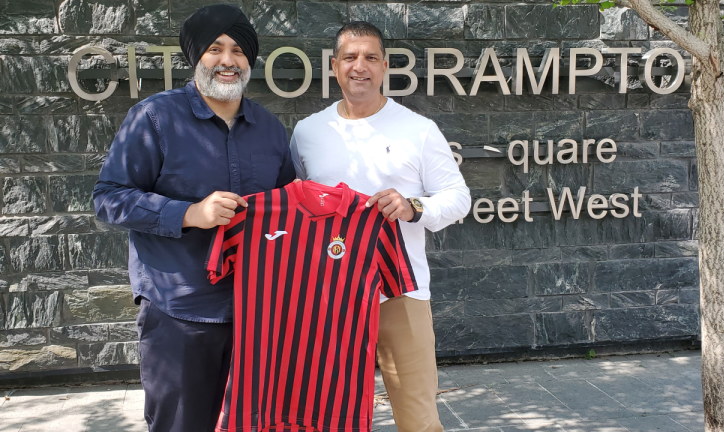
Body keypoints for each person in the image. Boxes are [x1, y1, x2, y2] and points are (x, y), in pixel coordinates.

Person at [92, 5, 295, 432]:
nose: (227, 60)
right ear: (195, 57)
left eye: (238, 50)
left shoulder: (271, 130)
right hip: (179, 310)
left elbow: (289, 212)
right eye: (215, 48)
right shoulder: (154, 117)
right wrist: (189, 213)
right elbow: (109, 198)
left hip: (257, 313)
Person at [290, 21, 471, 432]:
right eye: (350, 57)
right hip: (328, 293)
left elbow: (459, 198)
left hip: (400, 291)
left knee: (418, 417)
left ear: (385, 66)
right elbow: (294, 203)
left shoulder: (419, 130)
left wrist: (413, 206)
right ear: (334, 66)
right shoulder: (307, 133)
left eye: (371, 57)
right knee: (326, 414)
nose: (360, 67)